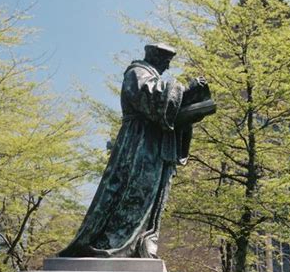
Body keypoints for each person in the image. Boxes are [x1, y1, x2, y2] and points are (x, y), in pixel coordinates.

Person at [59, 43, 213, 258]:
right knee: (134, 191)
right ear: (155, 57)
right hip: (140, 144)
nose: (167, 68)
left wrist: (194, 94)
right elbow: (153, 100)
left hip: (155, 145)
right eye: (165, 62)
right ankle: (110, 243)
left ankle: (139, 243)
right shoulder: (136, 73)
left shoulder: (151, 76)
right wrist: (186, 89)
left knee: (150, 195)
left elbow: (167, 107)